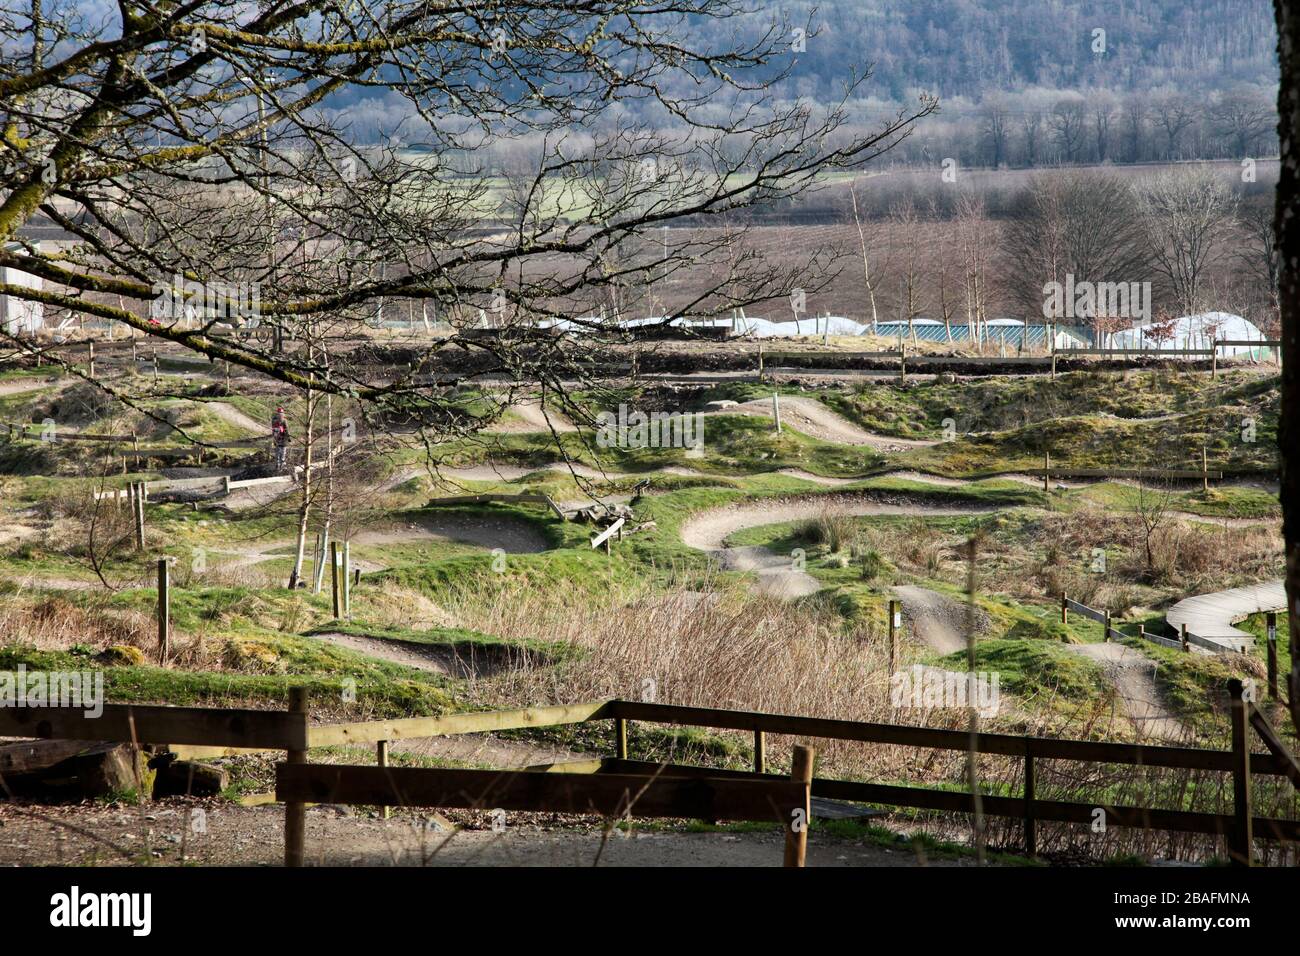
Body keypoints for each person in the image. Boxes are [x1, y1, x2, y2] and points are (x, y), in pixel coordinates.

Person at [271, 407, 290, 471]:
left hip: (276, 438)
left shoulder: (273, 420)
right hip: (283, 438)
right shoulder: (284, 420)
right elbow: (286, 430)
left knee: (277, 452)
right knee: (283, 453)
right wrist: (288, 437)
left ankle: (278, 465)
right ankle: (282, 466)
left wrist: (274, 438)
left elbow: (273, 430)